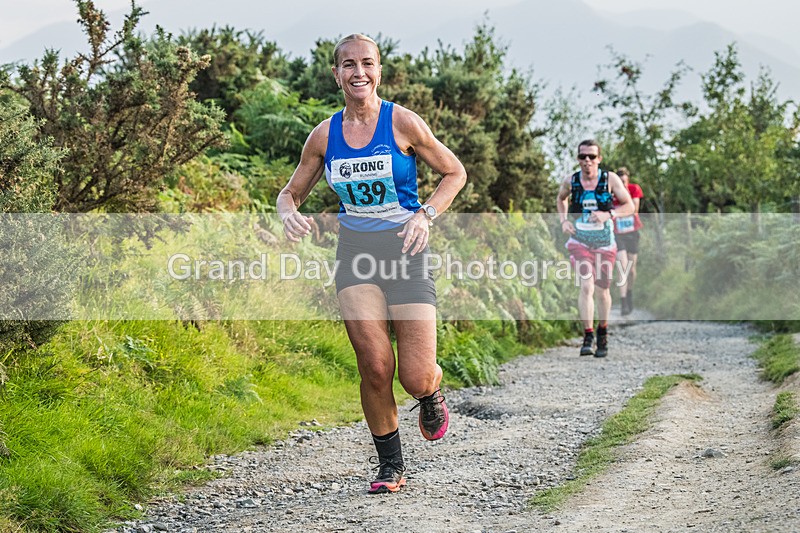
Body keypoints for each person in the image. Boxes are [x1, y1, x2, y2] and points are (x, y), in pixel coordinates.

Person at [276, 34, 467, 494]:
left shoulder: (402, 122)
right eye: (348, 65)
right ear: (336, 74)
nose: (358, 72)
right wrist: (288, 212)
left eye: (367, 63)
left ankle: (430, 392)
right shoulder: (324, 135)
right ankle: (390, 465)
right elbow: (290, 192)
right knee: (375, 367)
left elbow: (454, 172)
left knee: (415, 374)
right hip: (356, 255)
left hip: (407, 252)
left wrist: (426, 215)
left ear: (379, 70)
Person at [556, 140, 633, 358]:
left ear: (599, 159)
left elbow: (629, 206)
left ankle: (603, 331)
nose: (587, 161)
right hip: (579, 242)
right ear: (578, 159)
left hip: (605, 243)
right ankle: (588, 335)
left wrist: (609, 214)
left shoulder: (610, 179)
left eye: (591, 157)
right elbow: (560, 200)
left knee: (602, 290)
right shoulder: (571, 181)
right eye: (583, 157)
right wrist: (563, 221)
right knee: (586, 286)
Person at [613, 167, 644, 316]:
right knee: (622, 266)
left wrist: (622, 203)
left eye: (624, 181)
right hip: (617, 233)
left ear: (628, 180)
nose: (623, 184)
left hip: (632, 232)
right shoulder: (611, 193)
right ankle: (623, 301)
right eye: (620, 181)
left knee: (631, 270)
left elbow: (634, 209)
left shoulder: (634, 189)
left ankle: (629, 293)